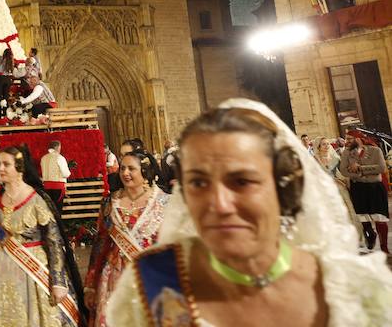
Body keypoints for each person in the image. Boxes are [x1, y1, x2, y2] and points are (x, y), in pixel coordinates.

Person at [105, 99, 392, 327]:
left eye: (242, 181)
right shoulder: (150, 285)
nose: (218, 203)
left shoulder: (355, 291)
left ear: (283, 187)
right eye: (199, 182)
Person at [0, 146, 87, 327]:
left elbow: (54, 241)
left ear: (20, 167)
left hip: (32, 270)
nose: (0, 168)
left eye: (6, 164)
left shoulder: (36, 200)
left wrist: (58, 281)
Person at [83, 148, 169, 326]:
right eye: (122, 168)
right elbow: (100, 244)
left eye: (131, 169)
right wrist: (91, 284)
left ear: (144, 171)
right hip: (113, 277)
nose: (125, 173)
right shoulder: (110, 202)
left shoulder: (164, 202)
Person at [340, 130, 389, 253]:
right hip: (358, 188)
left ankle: (384, 247)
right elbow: (344, 171)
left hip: (375, 188)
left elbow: (382, 168)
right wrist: (363, 173)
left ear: (358, 139)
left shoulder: (375, 151)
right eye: (346, 139)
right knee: (363, 218)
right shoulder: (347, 153)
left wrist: (360, 169)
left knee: (380, 218)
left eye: (350, 139)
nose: (347, 141)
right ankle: (370, 234)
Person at [313, 136, 364, 248]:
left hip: (339, 187)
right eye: (323, 144)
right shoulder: (314, 160)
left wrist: (343, 180)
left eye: (327, 144)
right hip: (324, 189)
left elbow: (343, 173)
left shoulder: (335, 158)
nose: (326, 146)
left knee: (348, 210)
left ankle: (354, 237)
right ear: (318, 147)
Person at [41, 140, 71, 212]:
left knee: (49, 210)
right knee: (57, 210)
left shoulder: (44, 158)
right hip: (57, 186)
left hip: (46, 186)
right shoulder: (60, 158)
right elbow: (65, 174)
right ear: (57, 147)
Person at [0, 48, 14, 118]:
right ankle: (5, 114)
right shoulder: (11, 61)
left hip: (0, 78)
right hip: (7, 79)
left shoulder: (1, 58)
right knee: (5, 97)